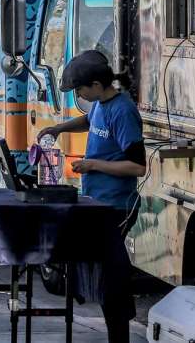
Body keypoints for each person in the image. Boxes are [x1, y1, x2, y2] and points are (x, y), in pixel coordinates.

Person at [36, 50, 144, 343]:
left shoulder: (122, 111)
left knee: (112, 278)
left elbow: (137, 165)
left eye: (81, 89)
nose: (79, 94)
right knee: (99, 273)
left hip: (116, 206)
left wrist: (93, 164)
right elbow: (89, 121)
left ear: (97, 85)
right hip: (96, 203)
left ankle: (119, 334)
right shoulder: (100, 104)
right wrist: (59, 128)